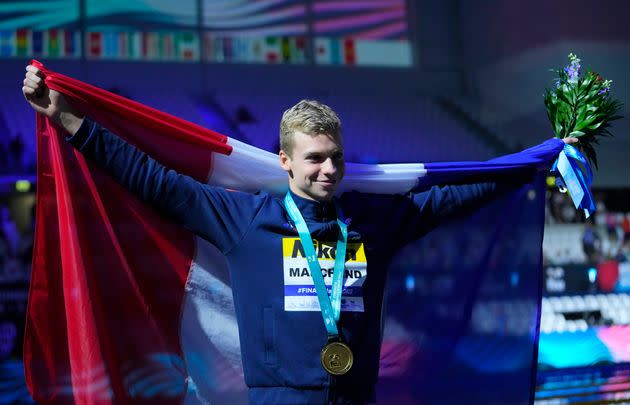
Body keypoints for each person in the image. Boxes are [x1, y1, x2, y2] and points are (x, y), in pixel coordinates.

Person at [22, 65, 577, 405]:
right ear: (285, 161)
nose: (329, 170)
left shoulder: (371, 220)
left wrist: (528, 166)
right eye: (314, 159)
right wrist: (71, 122)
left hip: (357, 398)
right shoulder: (244, 220)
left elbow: (454, 195)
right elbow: (155, 182)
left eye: (336, 157)